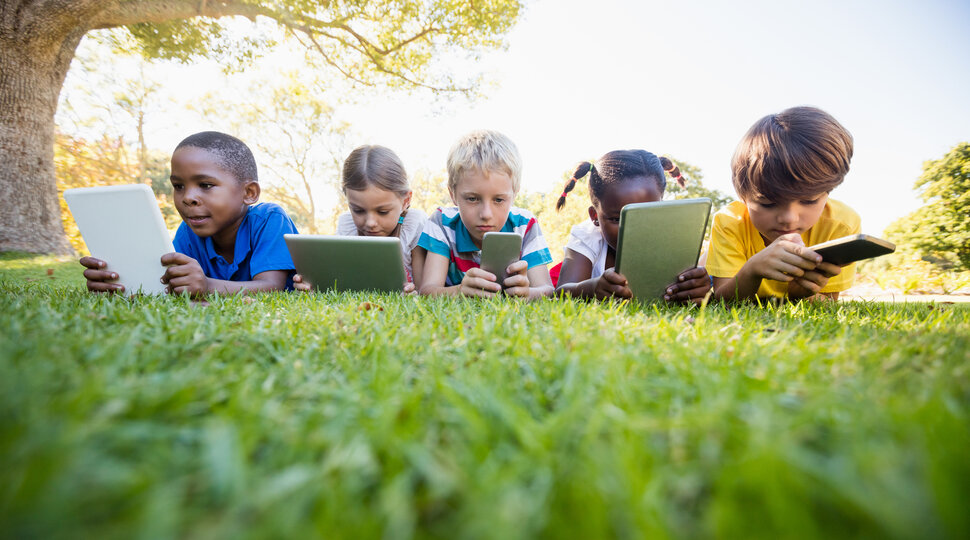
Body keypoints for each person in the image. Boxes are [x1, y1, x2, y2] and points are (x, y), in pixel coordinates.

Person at [81, 131, 298, 295]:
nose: (187, 197)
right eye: (178, 186)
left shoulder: (269, 219)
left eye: (205, 185)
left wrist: (207, 285)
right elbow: (168, 283)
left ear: (249, 192)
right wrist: (118, 281)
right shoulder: (188, 231)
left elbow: (272, 287)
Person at [707, 106, 860, 301]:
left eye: (809, 200)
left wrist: (800, 295)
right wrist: (752, 271)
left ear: (828, 191)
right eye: (768, 203)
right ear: (743, 197)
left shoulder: (842, 225)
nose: (789, 218)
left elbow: (829, 301)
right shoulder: (729, 221)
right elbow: (722, 301)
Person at [553, 149, 712, 302]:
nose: (632, 229)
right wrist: (592, 289)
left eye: (647, 214)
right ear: (595, 217)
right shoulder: (587, 236)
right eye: (617, 219)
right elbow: (560, 293)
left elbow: (689, 288)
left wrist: (696, 289)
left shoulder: (671, 237)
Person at [417, 129, 554, 298]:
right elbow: (427, 291)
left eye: (498, 200)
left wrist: (528, 293)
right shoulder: (442, 223)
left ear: (514, 194)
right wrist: (460, 291)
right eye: (473, 199)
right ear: (453, 194)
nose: (486, 214)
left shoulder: (525, 225)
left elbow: (547, 290)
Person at [293, 145, 427, 293]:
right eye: (358, 210)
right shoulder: (347, 224)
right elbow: (339, 282)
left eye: (383, 212)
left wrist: (413, 294)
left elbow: (423, 291)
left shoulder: (414, 223)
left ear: (406, 200)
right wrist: (313, 287)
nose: (370, 222)